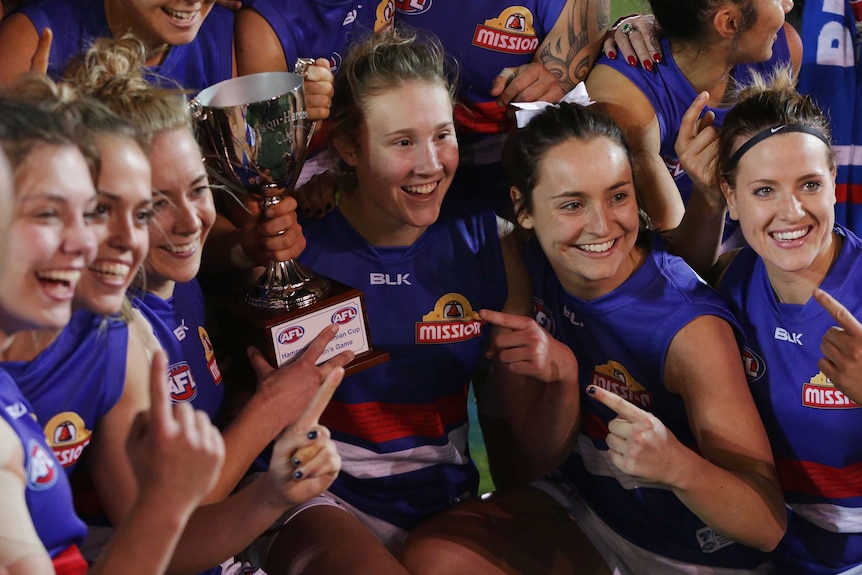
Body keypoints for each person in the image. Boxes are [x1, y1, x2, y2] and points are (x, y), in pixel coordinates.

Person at [400, 101, 787, 574]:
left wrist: (678, 466)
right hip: (593, 516)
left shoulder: (689, 328)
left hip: (697, 554)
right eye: (572, 204)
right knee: (435, 555)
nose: (602, 225)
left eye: (617, 196)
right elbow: (539, 453)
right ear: (523, 210)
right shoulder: (529, 264)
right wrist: (561, 378)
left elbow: (766, 524)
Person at [235, 28, 540, 573]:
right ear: (349, 148)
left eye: (441, 136)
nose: (429, 164)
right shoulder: (296, 240)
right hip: (313, 495)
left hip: (443, 504)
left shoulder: (489, 243)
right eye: (402, 142)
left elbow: (506, 413)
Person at [62, 38, 353, 574]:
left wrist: (248, 248)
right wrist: (269, 415)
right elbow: (159, 548)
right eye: (154, 205)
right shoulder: (110, 333)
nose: (190, 222)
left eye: (197, 189)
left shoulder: (174, 276)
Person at [0, 96, 226, 575]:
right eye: (47, 213)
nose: (87, 240)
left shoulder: (115, 334)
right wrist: (164, 505)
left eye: (87, 212)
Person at [713, 70, 862, 574]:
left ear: (834, 186)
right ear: (730, 198)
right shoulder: (730, 284)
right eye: (763, 191)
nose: (791, 212)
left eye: (809, 184)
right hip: (761, 551)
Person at [585, 0, 800, 234]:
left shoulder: (781, 48)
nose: (788, 5)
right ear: (729, 22)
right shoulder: (624, 98)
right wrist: (709, 199)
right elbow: (675, 258)